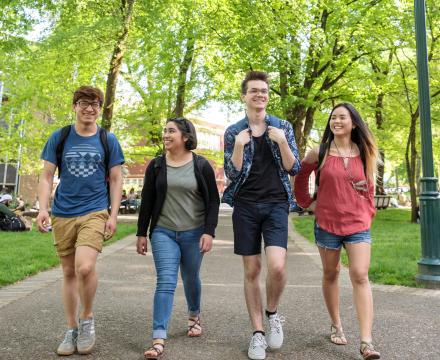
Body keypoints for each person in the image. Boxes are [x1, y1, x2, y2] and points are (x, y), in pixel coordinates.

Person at [36, 86, 124, 356]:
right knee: (68, 272)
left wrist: (113, 214)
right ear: (74, 106)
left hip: (94, 210)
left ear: (100, 108)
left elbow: (117, 179)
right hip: (63, 212)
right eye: (84, 103)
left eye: (95, 104)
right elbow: (47, 176)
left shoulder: (108, 139)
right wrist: (43, 208)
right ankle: (71, 327)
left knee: (84, 267)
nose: (90, 108)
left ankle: (87, 318)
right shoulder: (60, 137)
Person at [222, 71, 300, 360]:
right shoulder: (233, 132)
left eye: (264, 91)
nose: (260, 95)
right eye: (254, 90)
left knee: (277, 267)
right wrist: (240, 146)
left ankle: (273, 313)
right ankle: (257, 333)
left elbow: (294, 168)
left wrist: (281, 141)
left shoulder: (282, 127)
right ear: (244, 96)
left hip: (277, 203)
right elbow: (231, 173)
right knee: (252, 270)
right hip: (246, 205)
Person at [294, 103, 381, 359]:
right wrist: (306, 202)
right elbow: (301, 176)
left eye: (342, 117)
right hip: (327, 223)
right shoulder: (319, 152)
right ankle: (336, 324)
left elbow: (370, 187)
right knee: (331, 273)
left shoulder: (365, 151)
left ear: (354, 123)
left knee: (360, 274)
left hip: (357, 224)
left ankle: (366, 342)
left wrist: (368, 211)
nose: (337, 121)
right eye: (333, 117)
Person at [136, 117, 220, 359]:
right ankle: (158, 337)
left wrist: (209, 231)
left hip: (194, 232)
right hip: (163, 231)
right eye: (164, 130)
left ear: (185, 137)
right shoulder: (156, 166)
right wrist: (142, 233)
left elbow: (213, 201)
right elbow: (148, 201)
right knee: (166, 281)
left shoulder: (201, 165)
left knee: (191, 276)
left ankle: (194, 315)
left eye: (171, 131)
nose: (165, 134)